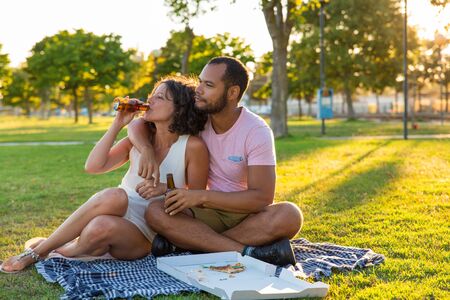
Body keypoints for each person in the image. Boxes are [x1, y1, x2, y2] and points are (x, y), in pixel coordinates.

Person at [0, 76, 208, 273]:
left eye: (159, 97)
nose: (149, 99)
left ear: (179, 109)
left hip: (148, 229)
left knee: (100, 228)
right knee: (113, 198)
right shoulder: (139, 140)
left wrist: (165, 189)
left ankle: (53, 250)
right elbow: (94, 166)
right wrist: (118, 123)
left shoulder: (192, 146)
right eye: (152, 94)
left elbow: (197, 204)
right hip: (117, 209)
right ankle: (43, 251)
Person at [127, 56, 303, 266]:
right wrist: (146, 149)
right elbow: (139, 125)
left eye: (208, 85)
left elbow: (262, 198)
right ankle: (249, 252)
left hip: (245, 214)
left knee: (290, 215)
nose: (198, 90)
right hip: (204, 214)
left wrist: (199, 196)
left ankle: (189, 245)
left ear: (232, 93)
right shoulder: (198, 119)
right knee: (156, 211)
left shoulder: (256, 131)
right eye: (200, 81)